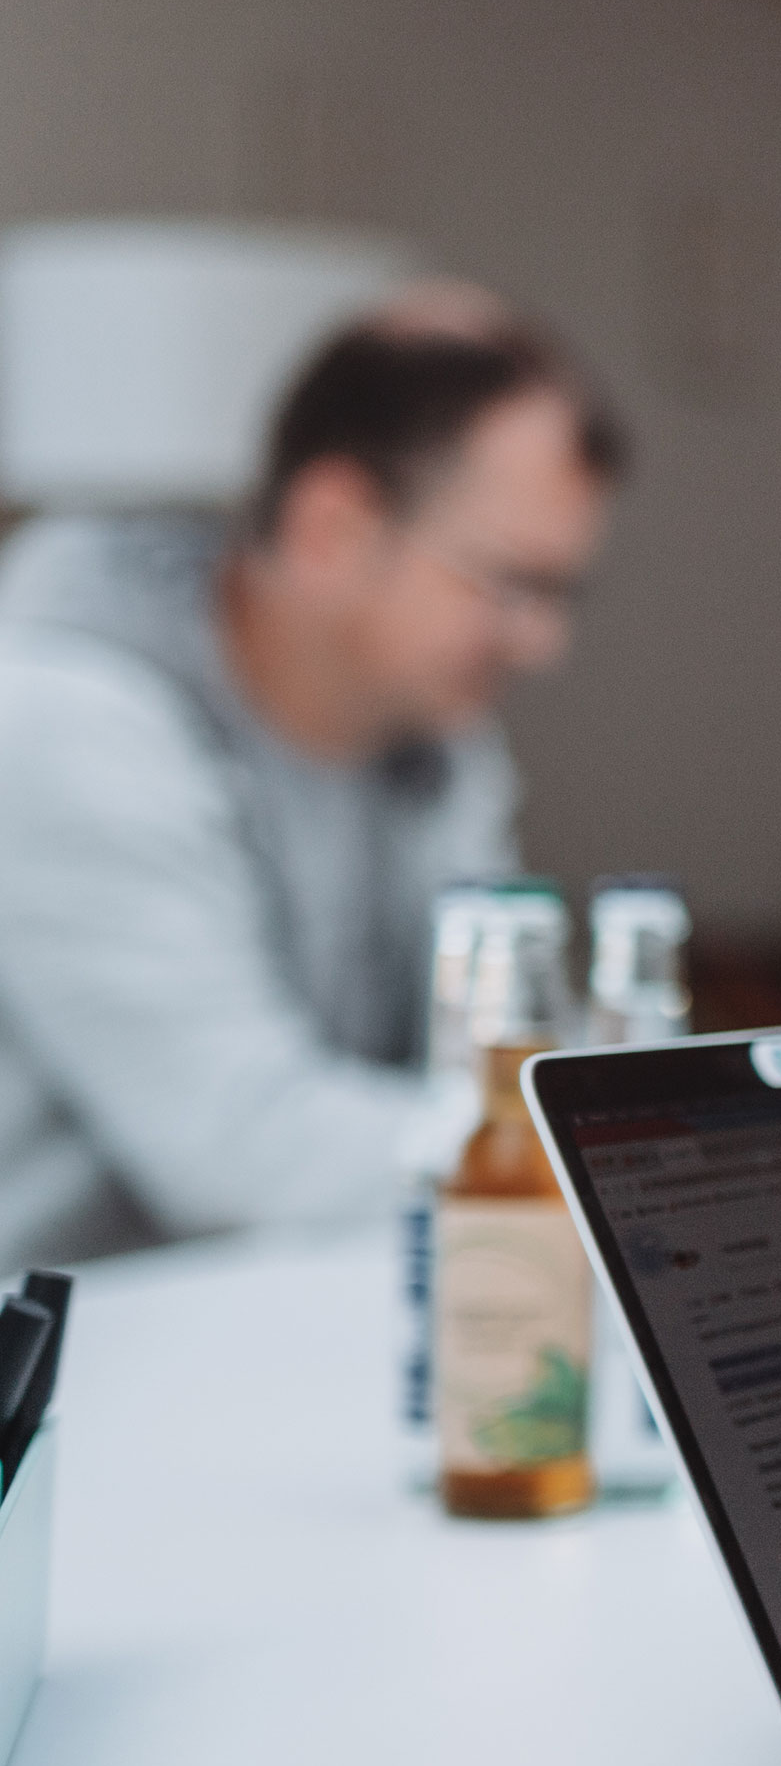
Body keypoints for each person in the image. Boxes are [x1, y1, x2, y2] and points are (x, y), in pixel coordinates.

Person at [0, 293, 622, 1269]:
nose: (542, 642)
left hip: (274, 1310)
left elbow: (514, 1055)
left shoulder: (429, 730)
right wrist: (602, 1150)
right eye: (508, 582)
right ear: (333, 526)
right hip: (71, 1355)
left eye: (558, 592)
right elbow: (238, 1149)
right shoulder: (63, 711)